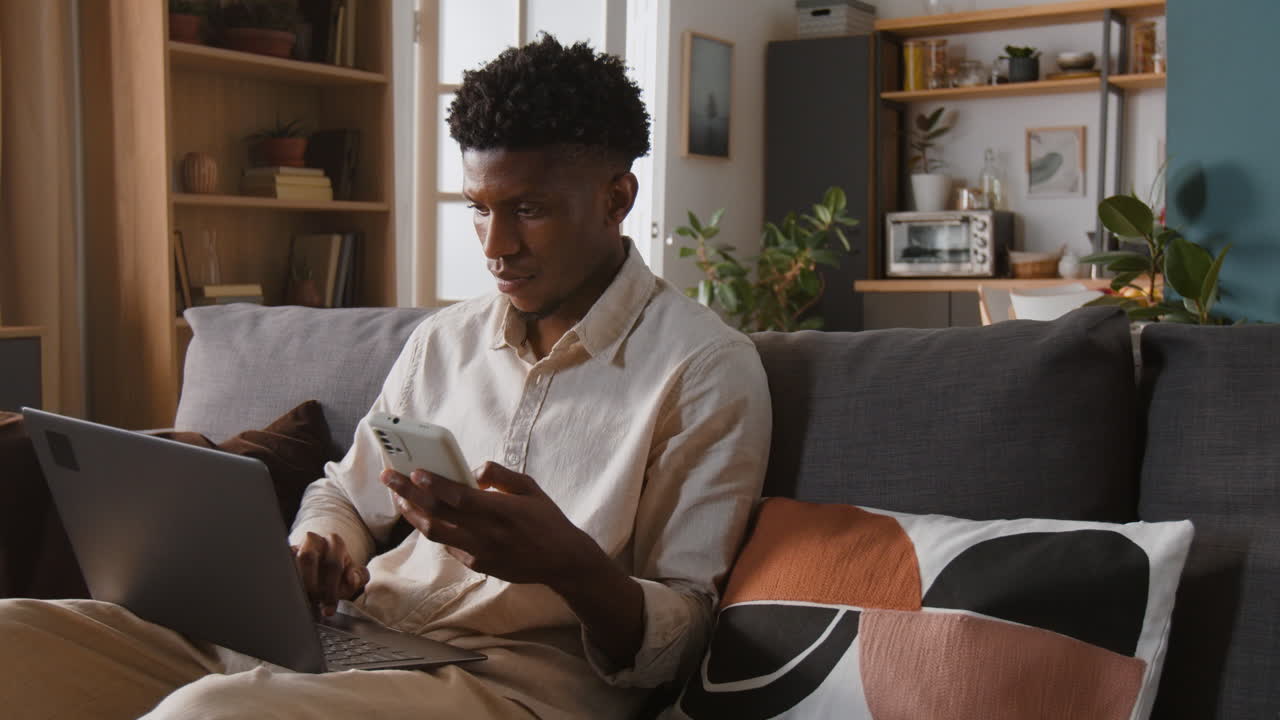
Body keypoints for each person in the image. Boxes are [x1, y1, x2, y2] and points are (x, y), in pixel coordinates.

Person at [0, 35, 771, 719]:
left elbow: (687, 637)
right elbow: (345, 492)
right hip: (355, 638)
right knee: (12, 637)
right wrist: (321, 542)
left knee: (210, 714)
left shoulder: (704, 369)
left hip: (513, 683)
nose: (494, 246)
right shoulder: (446, 341)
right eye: (479, 208)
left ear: (616, 199)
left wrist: (571, 566)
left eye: (528, 209)